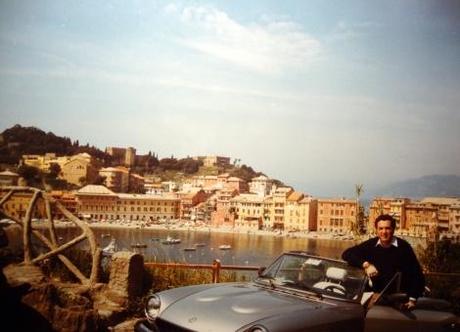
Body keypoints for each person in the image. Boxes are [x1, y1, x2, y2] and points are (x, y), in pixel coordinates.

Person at [342, 214, 425, 310]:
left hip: (397, 298)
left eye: (387, 228)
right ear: (376, 230)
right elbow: (346, 254)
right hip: (374, 296)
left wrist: (412, 299)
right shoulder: (371, 244)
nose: (384, 232)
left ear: (393, 229)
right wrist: (366, 265)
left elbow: (417, 274)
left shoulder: (404, 248)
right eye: (380, 228)